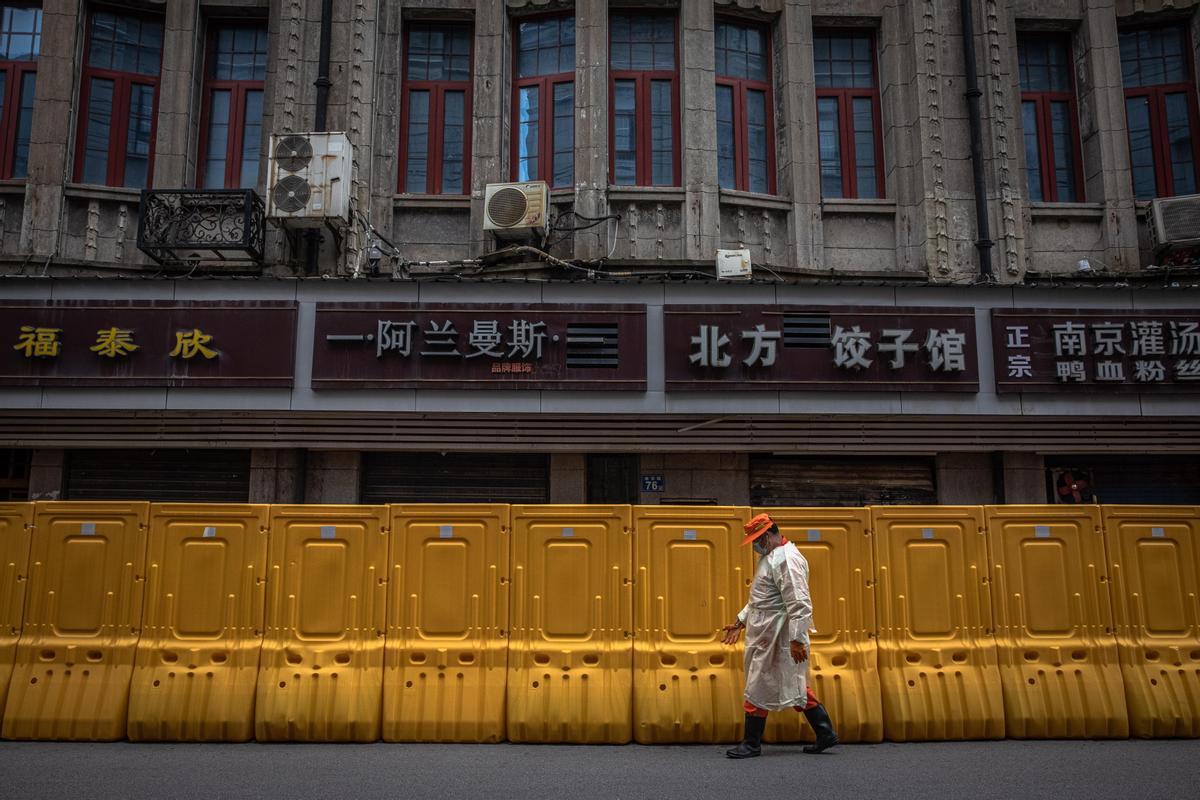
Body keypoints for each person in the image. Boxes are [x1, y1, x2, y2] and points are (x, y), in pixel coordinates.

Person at [721, 512, 839, 758]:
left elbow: (799, 603)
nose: (754, 545)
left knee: (758, 682)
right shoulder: (771, 557)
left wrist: (796, 639)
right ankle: (825, 732)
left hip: (778, 635)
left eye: (757, 539)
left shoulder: (786, 559)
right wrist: (740, 621)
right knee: (792, 683)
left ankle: (752, 743)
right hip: (768, 632)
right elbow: (762, 597)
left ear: (768, 536)